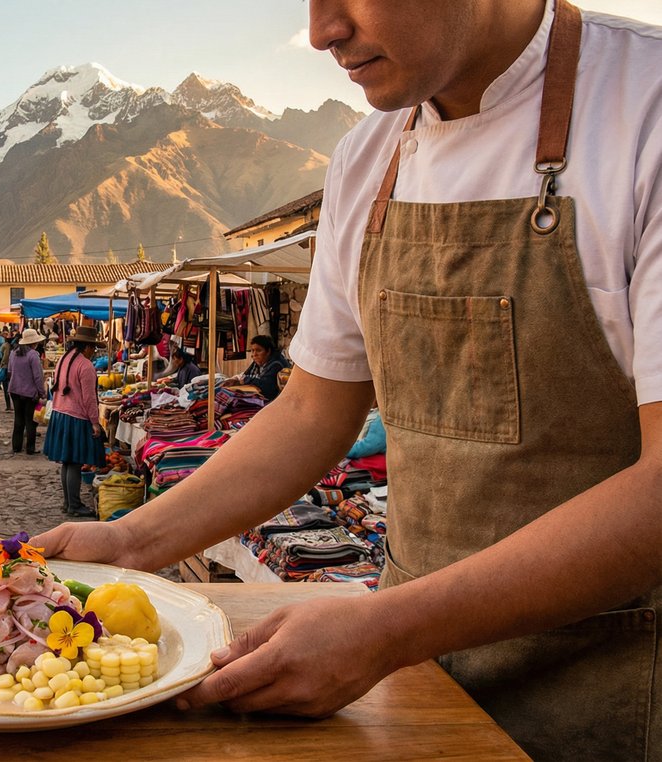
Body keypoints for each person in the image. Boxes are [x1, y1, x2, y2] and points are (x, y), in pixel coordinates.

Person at [35, 3, 661, 760]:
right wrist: (131, 541)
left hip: (609, 679)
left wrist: (387, 629)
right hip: (415, 675)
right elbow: (311, 411)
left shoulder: (644, 109)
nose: (322, 29)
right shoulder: (368, 157)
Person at [42, 326, 105, 517]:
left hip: (60, 413)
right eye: (92, 348)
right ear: (86, 347)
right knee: (75, 462)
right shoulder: (85, 366)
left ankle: (68, 503)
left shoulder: (65, 358)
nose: (93, 352)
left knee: (67, 462)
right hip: (76, 417)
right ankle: (75, 505)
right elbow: (89, 399)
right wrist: (95, 422)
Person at [8, 329, 47, 456]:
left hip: (14, 390)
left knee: (18, 419)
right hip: (29, 393)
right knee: (31, 421)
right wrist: (42, 392)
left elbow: (9, 370)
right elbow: (38, 376)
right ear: (33, 343)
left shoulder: (13, 353)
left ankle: (16, 446)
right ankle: (30, 448)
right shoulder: (33, 355)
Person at [223, 335, 290, 400]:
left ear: (268, 351)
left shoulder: (277, 364)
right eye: (252, 350)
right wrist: (236, 380)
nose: (254, 354)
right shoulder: (259, 361)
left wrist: (243, 380)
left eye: (258, 350)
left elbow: (266, 386)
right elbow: (245, 375)